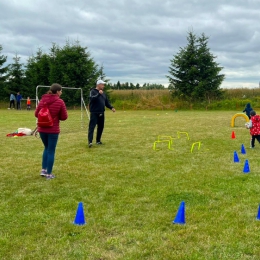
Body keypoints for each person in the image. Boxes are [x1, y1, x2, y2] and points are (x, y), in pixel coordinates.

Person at [35, 83, 68, 179]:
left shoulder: (42, 100)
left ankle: (43, 169)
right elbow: (64, 117)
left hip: (42, 129)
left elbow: (36, 114)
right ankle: (49, 174)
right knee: (51, 151)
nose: (61, 92)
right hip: (53, 130)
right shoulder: (60, 102)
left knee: (46, 148)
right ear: (57, 91)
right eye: (61, 91)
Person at [88, 79, 116, 148]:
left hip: (101, 112)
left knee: (101, 127)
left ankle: (98, 141)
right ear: (98, 85)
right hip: (94, 112)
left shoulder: (103, 93)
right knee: (92, 127)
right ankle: (90, 142)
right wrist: (98, 94)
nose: (103, 86)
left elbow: (106, 102)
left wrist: (111, 107)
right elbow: (92, 99)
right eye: (102, 84)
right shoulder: (93, 91)